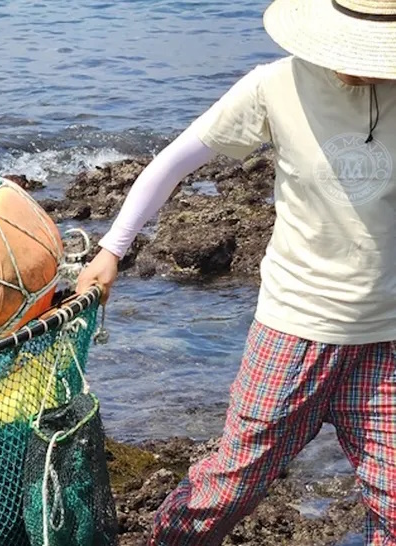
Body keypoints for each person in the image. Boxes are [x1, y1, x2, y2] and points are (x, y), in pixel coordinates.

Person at [75, 0, 396, 544]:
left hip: (386, 338)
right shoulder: (276, 85)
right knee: (227, 488)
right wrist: (112, 249)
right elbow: (175, 162)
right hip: (294, 328)